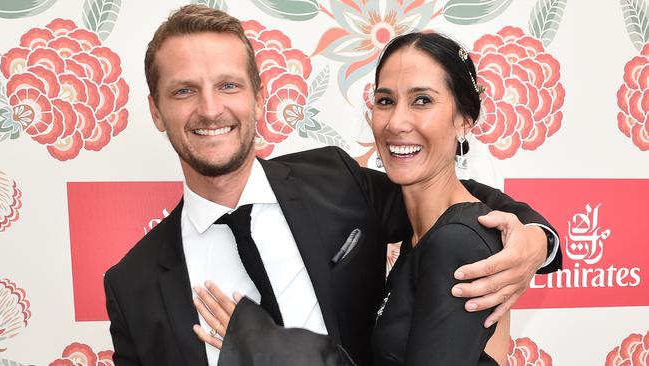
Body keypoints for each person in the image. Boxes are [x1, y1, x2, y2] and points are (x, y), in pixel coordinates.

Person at [103, 5, 561, 366]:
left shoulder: (335, 180)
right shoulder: (132, 286)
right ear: (156, 110)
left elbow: (448, 203)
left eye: (228, 85)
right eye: (184, 90)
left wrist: (540, 241)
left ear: (258, 97)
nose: (209, 108)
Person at [193, 30, 529, 365]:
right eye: (385, 101)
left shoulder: (459, 242)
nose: (396, 122)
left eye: (422, 100)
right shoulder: (421, 228)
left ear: (464, 120)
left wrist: (275, 349)